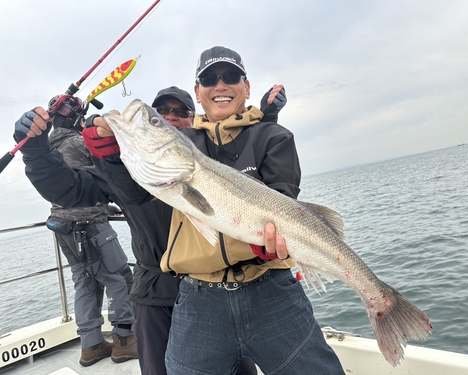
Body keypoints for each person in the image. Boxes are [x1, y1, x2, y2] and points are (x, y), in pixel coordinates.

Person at [90, 46, 346, 375]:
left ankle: (380, 301)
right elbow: (134, 194)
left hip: (271, 290)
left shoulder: (274, 136)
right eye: (209, 78)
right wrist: (109, 151)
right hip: (198, 299)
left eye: (231, 76)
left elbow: (282, 196)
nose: (220, 85)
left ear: (247, 87)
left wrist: (264, 243)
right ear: (198, 92)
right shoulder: (185, 141)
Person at [13, 84, 286, 375]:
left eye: (181, 112)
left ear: (193, 120)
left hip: (216, 289)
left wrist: (268, 117)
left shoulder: (210, 160)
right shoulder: (126, 168)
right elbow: (68, 189)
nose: (171, 117)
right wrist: (35, 150)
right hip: (155, 294)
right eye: (162, 112)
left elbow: (249, 167)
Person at [31, 98, 138, 367]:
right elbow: (108, 171)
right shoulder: (79, 142)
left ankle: (90, 345)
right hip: (89, 225)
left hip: (62, 226)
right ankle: (125, 340)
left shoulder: (52, 144)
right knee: (120, 277)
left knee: (85, 282)